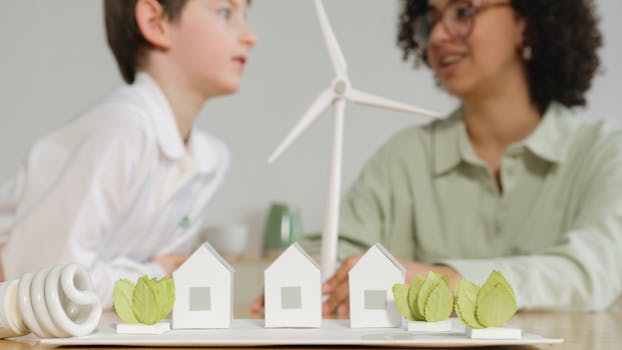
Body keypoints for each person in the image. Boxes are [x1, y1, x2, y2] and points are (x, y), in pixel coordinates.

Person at [254, 0, 622, 316]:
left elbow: (593, 272)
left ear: (527, 21)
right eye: (430, 19)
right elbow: (335, 249)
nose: (437, 37)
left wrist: (446, 282)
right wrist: (313, 275)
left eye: (463, 12)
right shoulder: (405, 157)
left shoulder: (605, 153)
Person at [0, 0, 257, 309]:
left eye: (246, 14)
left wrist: (149, 278)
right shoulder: (123, 128)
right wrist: (154, 273)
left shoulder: (210, 160)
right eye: (226, 12)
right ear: (155, 21)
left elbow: (162, 284)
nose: (250, 36)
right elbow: (53, 286)